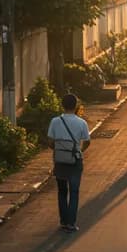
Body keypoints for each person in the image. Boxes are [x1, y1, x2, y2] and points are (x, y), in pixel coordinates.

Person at [48, 94, 92, 232]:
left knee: (62, 191)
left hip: (60, 161)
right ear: (76, 106)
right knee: (74, 192)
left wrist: (60, 150)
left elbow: (50, 142)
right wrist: (79, 151)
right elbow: (87, 141)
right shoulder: (81, 123)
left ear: (62, 105)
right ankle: (71, 223)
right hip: (75, 160)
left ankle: (63, 221)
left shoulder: (55, 121)